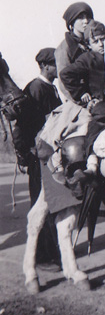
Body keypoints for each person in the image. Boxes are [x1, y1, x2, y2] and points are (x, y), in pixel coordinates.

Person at [12, 48, 62, 269]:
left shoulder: (51, 88)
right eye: (56, 63)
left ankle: (54, 251)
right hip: (38, 155)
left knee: (52, 202)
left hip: (50, 154)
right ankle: (42, 256)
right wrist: (26, 152)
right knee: (40, 203)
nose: (59, 67)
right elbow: (23, 124)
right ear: (45, 66)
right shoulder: (35, 88)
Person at [60, 19, 105, 176]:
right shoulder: (88, 58)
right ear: (89, 44)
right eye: (96, 41)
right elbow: (65, 74)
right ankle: (91, 162)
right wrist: (81, 93)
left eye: (103, 39)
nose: (101, 44)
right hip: (100, 102)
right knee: (98, 122)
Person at [55, 2, 94, 101]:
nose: (85, 21)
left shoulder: (93, 43)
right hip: (81, 101)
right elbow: (63, 82)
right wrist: (80, 98)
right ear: (71, 22)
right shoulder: (64, 47)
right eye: (80, 18)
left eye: (88, 17)